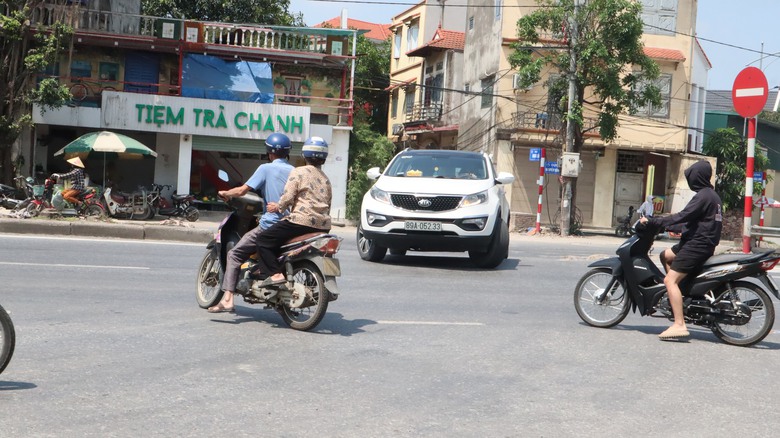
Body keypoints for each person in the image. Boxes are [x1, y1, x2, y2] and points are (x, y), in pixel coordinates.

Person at [207, 133, 294, 313]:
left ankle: (228, 299)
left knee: (235, 254)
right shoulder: (295, 171)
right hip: (292, 225)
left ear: (269, 152)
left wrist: (226, 193)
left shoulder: (265, 168)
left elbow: (242, 191)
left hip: (271, 223)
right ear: (287, 153)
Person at [639, 160, 722, 340]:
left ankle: (679, 324)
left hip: (696, 245)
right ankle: (680, 295)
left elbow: (683, 216)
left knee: (670, 280)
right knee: (665, 256)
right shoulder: (711, 195)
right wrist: (669, 227)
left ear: (697, 177)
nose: (690, 180)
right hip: (698, 241)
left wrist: (654, 221)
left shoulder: (703, 196)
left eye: (691, 177)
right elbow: (693, 222)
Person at [252, 136, 332, 287]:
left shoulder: (299, 171)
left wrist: (278, 207)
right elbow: (327, 203)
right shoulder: (325, 178)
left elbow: (288, 196)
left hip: (300, 222)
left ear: (304, 155)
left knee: (263, 240)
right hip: (323, 226)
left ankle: (275, 275)